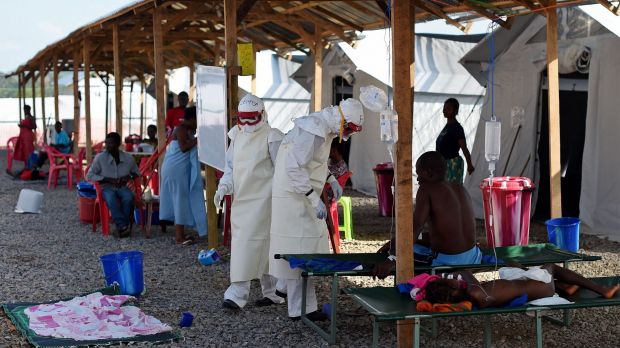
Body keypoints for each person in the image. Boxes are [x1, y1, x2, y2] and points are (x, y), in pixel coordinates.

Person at [269, 98, 365, 321]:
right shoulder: (313, 129)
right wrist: (313, 198)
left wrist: (330, 179)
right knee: (298, 249)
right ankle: (299, 308)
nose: (349, 134)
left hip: (302, 192)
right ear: (342, 120)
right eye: (349, 128)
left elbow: (315, 163)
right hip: (293, 195)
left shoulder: (326, 128)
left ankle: (290, 294)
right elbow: (293, 167)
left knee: (308, 246)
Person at [213, 94, 285, 310]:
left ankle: (255, 293)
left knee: (264, 246)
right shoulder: (236, 136)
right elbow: (231, 169)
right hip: (242, 202)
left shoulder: (273, 136)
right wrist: (223, 187)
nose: (246, 124)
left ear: (262, 115)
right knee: (243, 245)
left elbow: (282, 170)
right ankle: (248, 293)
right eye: (242, 119)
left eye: (251, 119)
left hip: (267, 201)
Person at [374, 151, 481, 278]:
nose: (418, 179)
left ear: (429, 171)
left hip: (449, 262)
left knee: (398, 252)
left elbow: (415, 227)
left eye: (419, 174)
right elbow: (446, 233)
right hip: (474, 257)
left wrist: (392, 259)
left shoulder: (426, 189)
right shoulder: (459, 187)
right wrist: (395, 241)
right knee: (405, 243)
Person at [425, 264, 619, 308]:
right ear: (454, 289)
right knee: (551, 267)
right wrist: (445, 276)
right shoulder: (474, 290)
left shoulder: (473, 296)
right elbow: (465, 272)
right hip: (543, 288)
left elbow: (463, 276)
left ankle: (564, 287)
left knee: (516, 270)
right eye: (453, 283)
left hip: (536, 289)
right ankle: (602, 289)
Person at [159, 106, 207, 244]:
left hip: (178, 169)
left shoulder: (187, 130)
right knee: (179, 199)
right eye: (197, 120)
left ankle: (181, 233)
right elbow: (184, 148)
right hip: (175, 169)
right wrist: (199, 139)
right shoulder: (181, 129)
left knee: (180, 199)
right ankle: (179, 237)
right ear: (192, 119)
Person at [86, 132, 140, 237]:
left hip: (122, 186)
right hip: (106, 187)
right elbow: (89, 175)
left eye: (111, 143)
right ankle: (123, 226)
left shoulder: (128, 158)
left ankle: (122, 227)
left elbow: (137, 173)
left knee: (129, 197)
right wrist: (107, 179)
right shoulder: (100, 158)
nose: (107, 146)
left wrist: (128, 177)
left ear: (118, 144)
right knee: (111, 199)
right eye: (106, 143)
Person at [435, 98, 474, 183]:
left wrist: (469, 165)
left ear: (456, 111)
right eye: (444, 108)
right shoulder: (447, 127)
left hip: (452, 165)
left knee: (452, 191)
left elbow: (464, 148)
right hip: (443, 165)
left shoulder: (457, 128)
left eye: (448, 109)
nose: (445, 111)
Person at [13, 105, 37, 171]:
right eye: (24, 110)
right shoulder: (25, 117)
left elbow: (34, 127)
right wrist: (21, 126)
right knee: (24, 151)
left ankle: (31, 166)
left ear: (29, 110)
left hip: (28, 136)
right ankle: (27, 166)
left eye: (26, 110)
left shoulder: (31, 117)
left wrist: (24, 126)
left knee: (29, 150)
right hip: (23, 136)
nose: (25, 111)